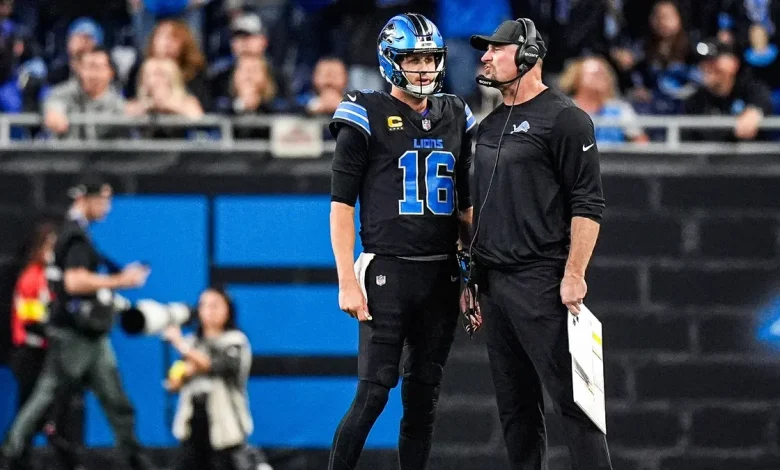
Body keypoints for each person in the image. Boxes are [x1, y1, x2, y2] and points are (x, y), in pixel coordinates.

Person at [327, 13, 478, 470]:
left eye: (431, 58)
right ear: (391, 60)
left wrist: (471, 274)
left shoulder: (457, 113)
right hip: (388, 269)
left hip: (441, 273)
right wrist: (345, 279)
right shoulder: (364, 110)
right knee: (374, 392)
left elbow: (465, 207)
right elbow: (341, 206)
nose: (424, 68)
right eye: (414, 58)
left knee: (423, 399)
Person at [467, 18, 613, 470]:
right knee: (515, 411)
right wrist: (471, 278)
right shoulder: (488, 126)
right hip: (494, 284)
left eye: (497, 49)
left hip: (541, 282)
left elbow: (588, 203)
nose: (486, 57)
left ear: (528, 55)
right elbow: (477, 209)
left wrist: (573, 275)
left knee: (576, 405)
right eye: (485, 50)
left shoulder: (566, 119)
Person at [1, 173, 154, 470]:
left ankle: (136, 459)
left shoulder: (75, 234)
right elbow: (73, 282)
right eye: (104, 200)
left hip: (88, 334)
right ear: (86, 199)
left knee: (115, 401)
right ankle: (9, 453)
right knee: (47, 399)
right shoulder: (74, 235)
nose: (108, 208)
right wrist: (120, 280)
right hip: (74, 335)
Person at [163, 286, 271, 470]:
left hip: (225, 429)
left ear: (228, 309)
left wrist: (180, 344)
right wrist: (177, 378)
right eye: (204, 305)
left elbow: (217, 366)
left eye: (215, 306)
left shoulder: (236, 341)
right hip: (192, 426)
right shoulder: (193, 342)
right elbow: (177, 380)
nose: (209, 311)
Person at [9, 221, 83, 470]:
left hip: (48, 355)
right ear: (40, 248)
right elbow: (31, 322)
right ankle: (17, 461)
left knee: (55, 417)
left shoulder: (53, 279)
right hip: (31, 355)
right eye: (51, 246)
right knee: (29, 416)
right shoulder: (32, 277)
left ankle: (66, 460)